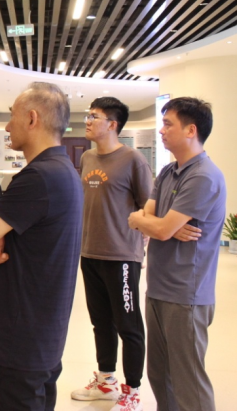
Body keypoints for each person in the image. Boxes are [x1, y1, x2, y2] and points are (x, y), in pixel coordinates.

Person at [0, 82, 83, 411]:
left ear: (32, 118)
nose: (6, 126)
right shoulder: (64, 171)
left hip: (19, 341)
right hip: (41, 335)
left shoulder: (39, 177)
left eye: (12, 116)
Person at [128, 97, 226, 411]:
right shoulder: (169, 171)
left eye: (168, 124)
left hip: (186, 294)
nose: (161, 130)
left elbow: (157, 228)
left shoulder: (204, 176)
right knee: (160, 376)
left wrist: (159, 225)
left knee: (188, 383)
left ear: (191, 130)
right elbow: (145, 217)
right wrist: (157, 224)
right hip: (158, 287)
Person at [71, 97, 153, 411]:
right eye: (88, 115)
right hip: (90, 252)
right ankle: (106, 381)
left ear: (113, 124)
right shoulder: (87, 157)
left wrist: (142, 240)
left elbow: (149, 207)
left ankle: (132, 390)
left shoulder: (133, 160)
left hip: (122, 256)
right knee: (100, 323)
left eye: (94, 116)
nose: (88, 121)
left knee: (128, 325)